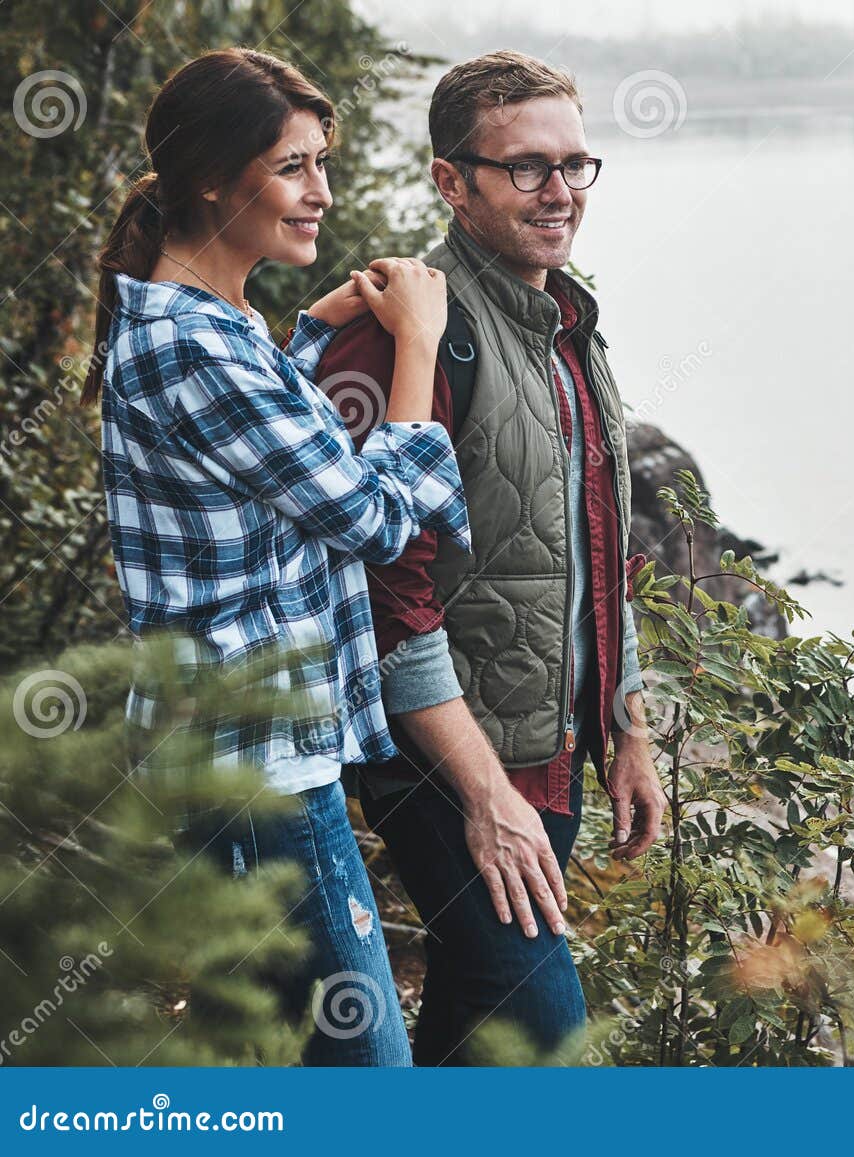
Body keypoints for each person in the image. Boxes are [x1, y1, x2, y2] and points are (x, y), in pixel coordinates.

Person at [83, 47, 472, 1066]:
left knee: (278, 1053)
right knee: (366, 1071)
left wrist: (310, 336)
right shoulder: (195, 345)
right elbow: (379, 518)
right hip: (256, 764)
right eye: (294, 166)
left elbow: (247, 463)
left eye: (321, 163)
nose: (321, 194)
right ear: (214, 176)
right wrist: (418, 346)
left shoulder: (210, 321)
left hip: (239, 754)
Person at [315, 50, 667, 1064]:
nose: (558, 192)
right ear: (449, 180)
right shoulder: (404, 339)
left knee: (478, 1027)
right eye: (524, 168)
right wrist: (483, 793)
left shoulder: (567, 326)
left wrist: (624, 725)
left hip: (546, 754)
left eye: (574, 165)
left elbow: (597, 544)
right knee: (546, 1043)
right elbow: (387, 596)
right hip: (448, 762)